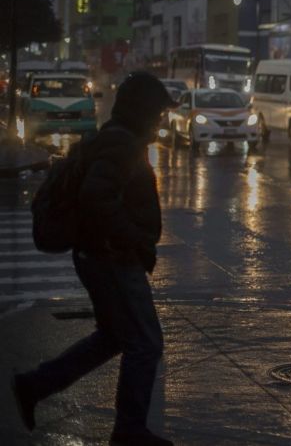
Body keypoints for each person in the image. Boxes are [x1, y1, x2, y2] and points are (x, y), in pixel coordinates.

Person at [11, 72, 177, 445]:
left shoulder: (117, 139)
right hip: (111, 258)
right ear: (143, 110)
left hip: (101, 256)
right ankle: (129, 430)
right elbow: (96, 198)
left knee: (114, 337)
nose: (161, 120)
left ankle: (35, 385)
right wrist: (134, 241)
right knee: (146, 343)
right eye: (159, 112)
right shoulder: (121, 144)